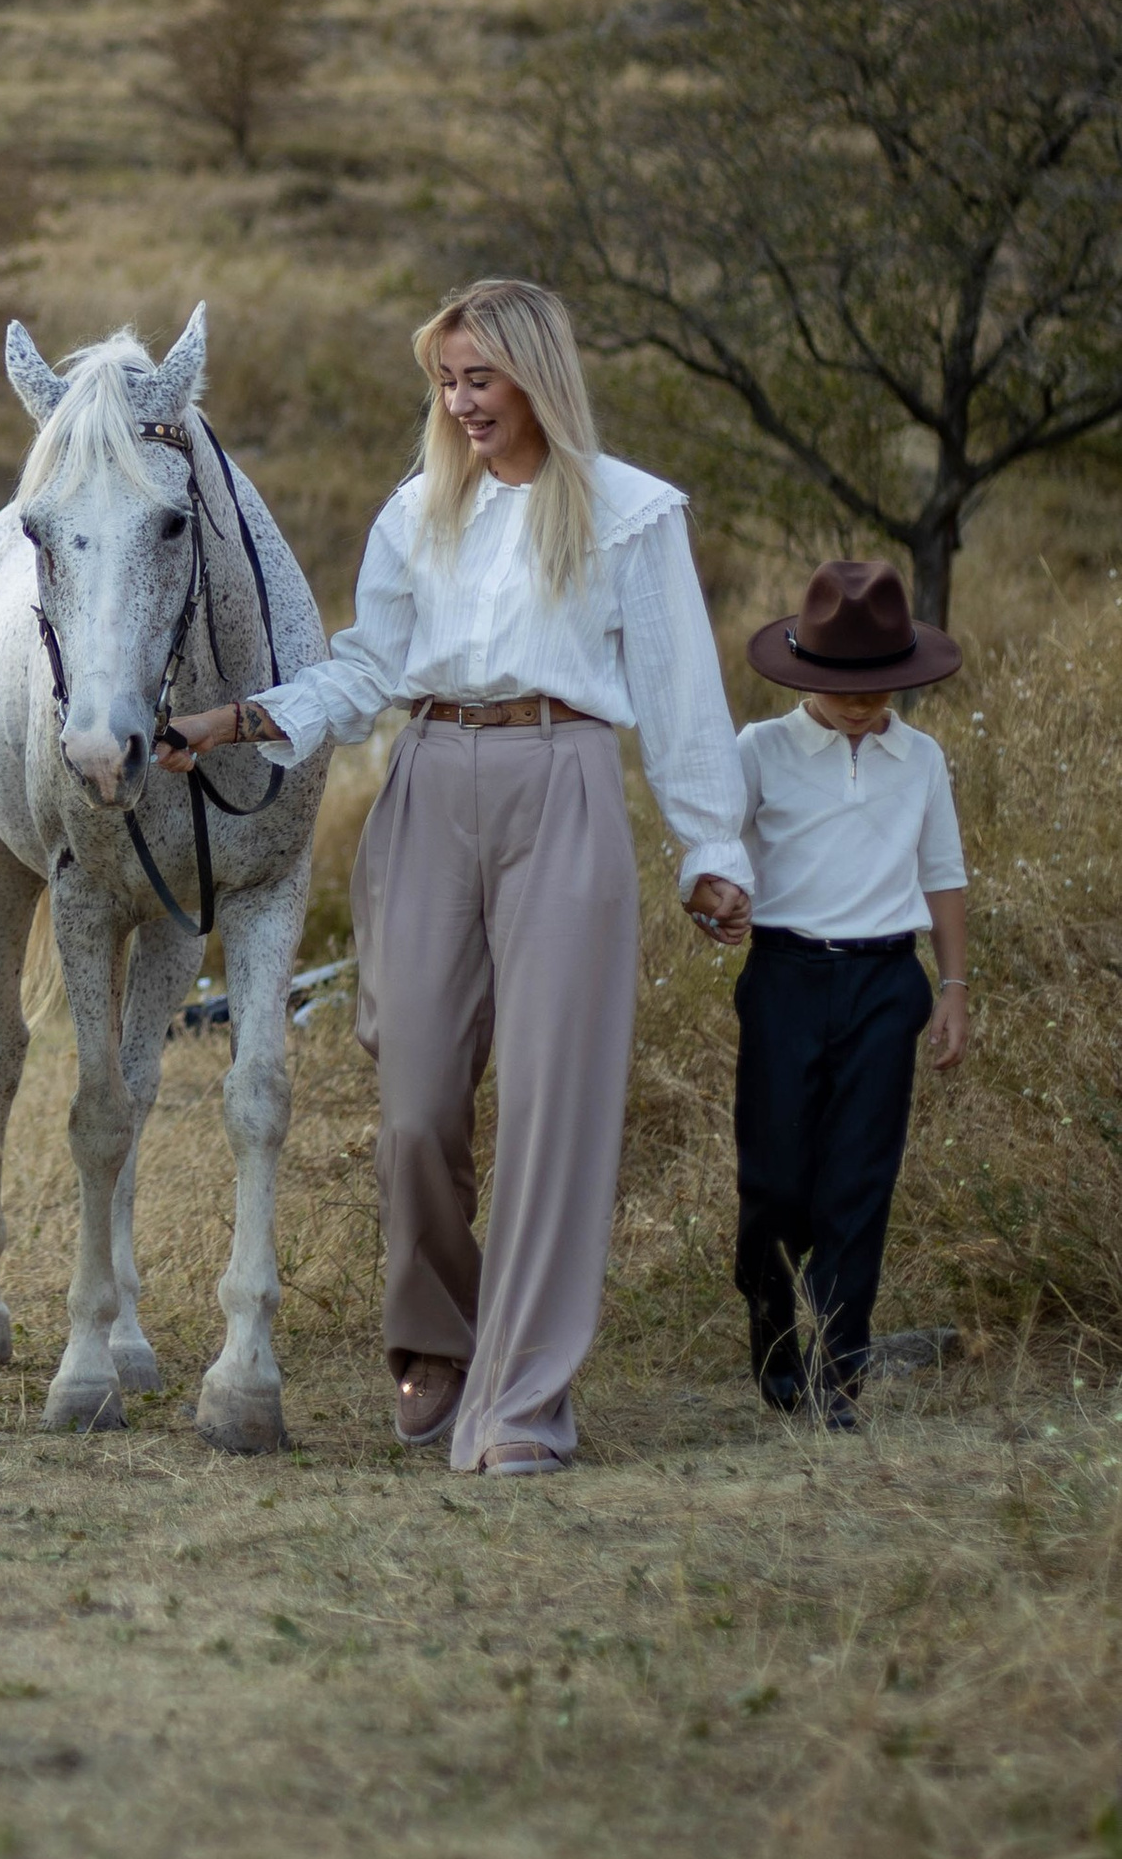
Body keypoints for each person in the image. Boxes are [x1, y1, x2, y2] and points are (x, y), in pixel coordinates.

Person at [161, 276, 751, 1476]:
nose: (460, 401)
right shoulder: (416, 512)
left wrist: (712, 847)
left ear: (535, 373)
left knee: (554, 1104)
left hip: (566, 779)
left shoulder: (630, 514)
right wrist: (233, 720)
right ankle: (436, 1334)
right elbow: (364, 668)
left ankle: (523, 1402)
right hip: (428, 778)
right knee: (418, 1098)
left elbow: (685, 693)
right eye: (446, 380)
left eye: (478, 377)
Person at [730, 557, 969, 1426]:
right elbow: (715, 839)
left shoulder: (922, 759)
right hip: (785, 977)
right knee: (777, 1186)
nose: (862, 701)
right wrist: (714, 891)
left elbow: (942, 875)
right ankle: (767, 1311)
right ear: (807, 672)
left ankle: (839, 1377)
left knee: (858, 1186)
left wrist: (953, 987)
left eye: (879, 684)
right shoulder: (760, 750)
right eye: (843, 685)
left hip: (883, 983)